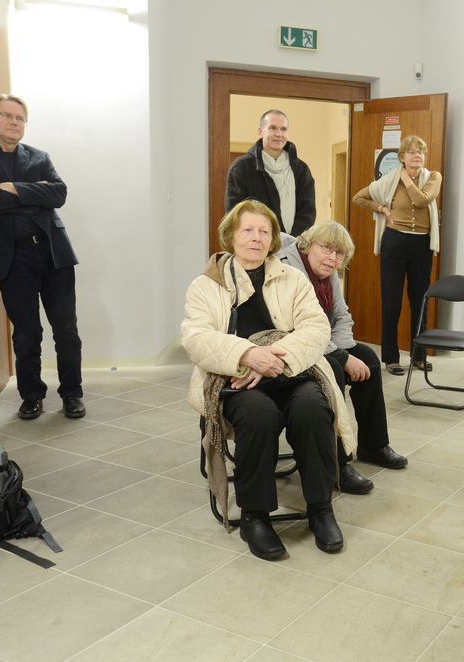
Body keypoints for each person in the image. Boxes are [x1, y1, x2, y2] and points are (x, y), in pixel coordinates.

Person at [181, 200, 355, 560]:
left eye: (264, 231)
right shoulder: (206, 284)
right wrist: (247, 355)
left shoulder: (293, 278)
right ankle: (254, 516)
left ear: (274, 238)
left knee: (313, 408)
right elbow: (195, 338)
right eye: (247, 230)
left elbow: (316, 327)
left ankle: (321, 508)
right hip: (236, 378)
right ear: (231, 235)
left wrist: (275, 356)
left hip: (291, 371)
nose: (256, 238)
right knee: (258, 414)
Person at [0, 94, 85, 420]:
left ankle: (72, 393)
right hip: (13, 258)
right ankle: (31, 396)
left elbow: (58, 194)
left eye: (20, 118)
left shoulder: (39, 156)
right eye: (7, 116)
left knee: (66, 330)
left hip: (54, 254)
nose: (14, 122)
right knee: (27, 332)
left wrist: (12, 188)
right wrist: (34, 192)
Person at [279, 223, 409, 495]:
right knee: (335, 370)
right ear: (308, 245)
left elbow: (341, 315)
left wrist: (343, 349)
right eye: (326, 248)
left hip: (323, 344)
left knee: (368, 359)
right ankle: (337, 463)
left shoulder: (328, 274)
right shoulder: (288, 270)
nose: (332, 258)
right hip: (294, 347)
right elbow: (296, 327)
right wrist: (340, 356)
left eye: (339, 254)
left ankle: (373, 445)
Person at [353, 135, 442, 376]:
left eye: (420, 152)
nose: (417, 156)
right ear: (402, 157)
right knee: (391, 302)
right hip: (394, 242)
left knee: (420, 300)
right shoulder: (389, 180)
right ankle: (391, 358)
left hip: (422, 244)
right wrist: (381, 208)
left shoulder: (433, 177)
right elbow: (359, 197)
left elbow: (422, 200)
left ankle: (419, 355)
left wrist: (405, 178)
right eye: (411, 152)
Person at [225, 109, 316, 236]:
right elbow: (235, 213)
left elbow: (308, 211)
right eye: (272, 128)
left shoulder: (301, 169)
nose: (279, 134)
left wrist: (291, 241)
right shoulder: (241, 168)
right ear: (260, 132)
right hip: (256, 241)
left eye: (283, 129)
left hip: (294, 242)